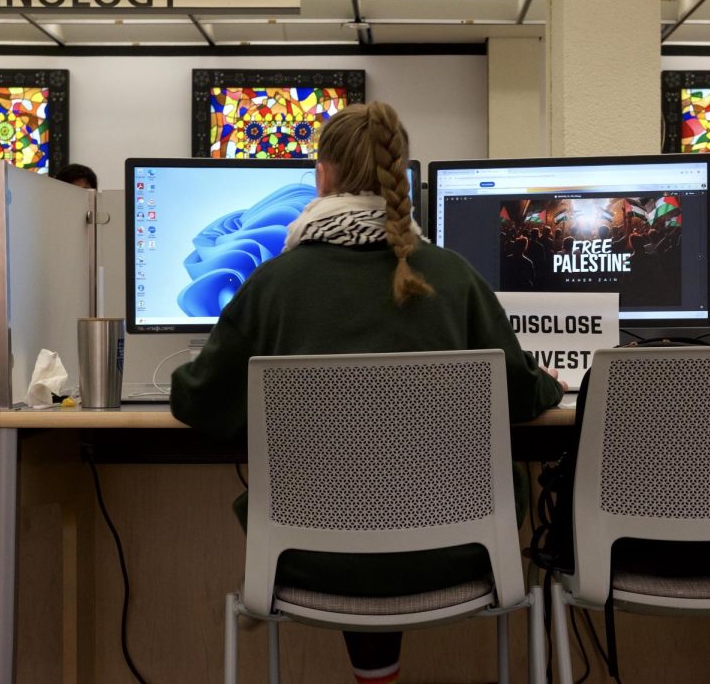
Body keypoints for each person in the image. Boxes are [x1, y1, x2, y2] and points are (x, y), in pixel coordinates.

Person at [170, 101, 564, 684]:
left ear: (321, 176)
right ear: (400, 175)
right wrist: (552, 380)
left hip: (307, 557)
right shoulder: (453, 276)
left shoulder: (275, 283)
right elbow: (523, 394)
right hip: (461, 552)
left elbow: (199, 402)